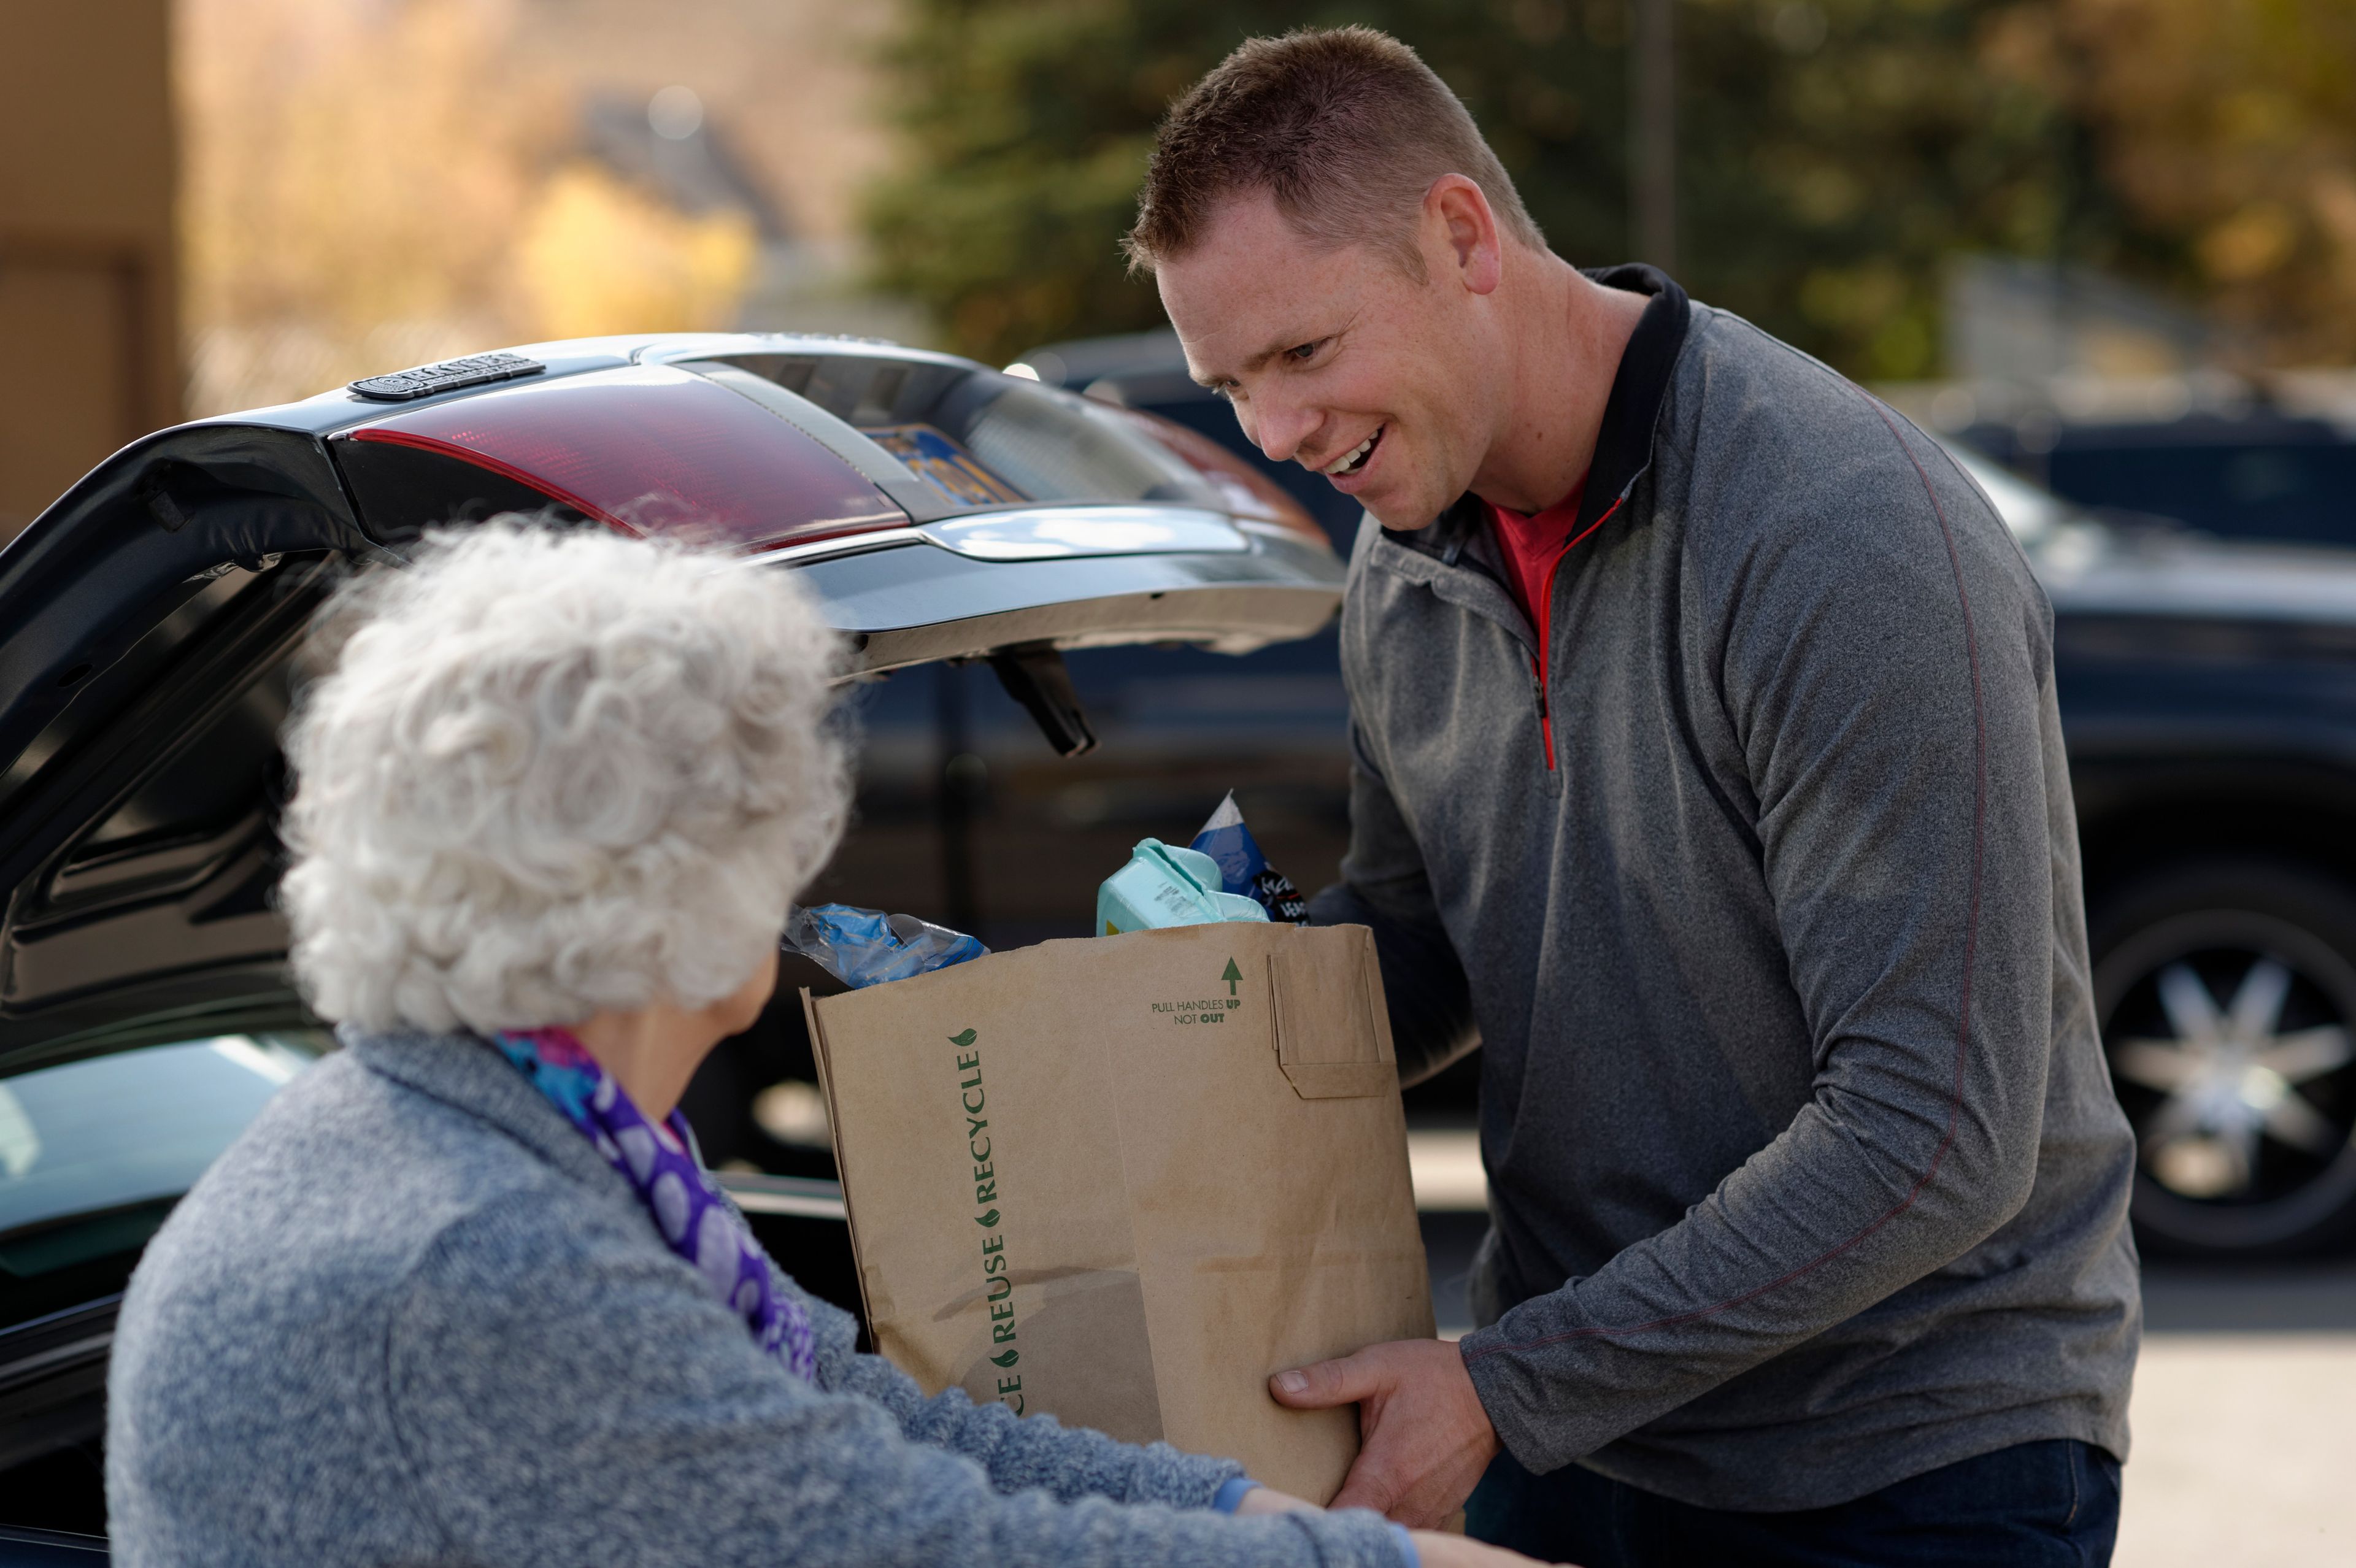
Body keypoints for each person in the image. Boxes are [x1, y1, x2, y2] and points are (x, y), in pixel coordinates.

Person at [1126, 26, 2140, 1568]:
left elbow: (1937, 1132)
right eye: (1231, 381)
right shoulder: (1403, 559)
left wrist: (1512, 1386)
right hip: (1574, 1445)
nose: (1272, 435)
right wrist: (1171, 1027)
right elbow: (1428, 941)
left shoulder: (1840, 537)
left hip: (1908, 1468)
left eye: (1306, 355)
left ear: (1462, 237)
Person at [103, 523, 1536, 1568]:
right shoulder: (483, 1255)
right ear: (682, 888)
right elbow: (894, 1542)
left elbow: (835, 1413)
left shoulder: (479, 1133)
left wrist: (1239, 1510)